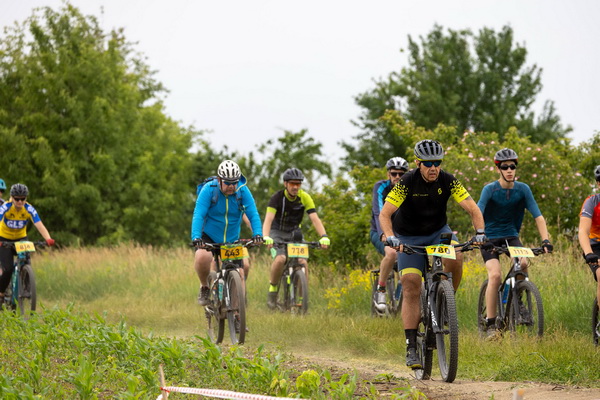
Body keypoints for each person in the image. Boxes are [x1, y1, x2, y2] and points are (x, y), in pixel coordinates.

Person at [379, 139, 486, 369]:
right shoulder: (407, 182)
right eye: (428, 163)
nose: (433, 167)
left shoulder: (448, 180)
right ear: (418, 163)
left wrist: (480, 233)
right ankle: (410, 346)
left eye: (437, 162)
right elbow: (385, 214)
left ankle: (447, 301)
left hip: (438, 233)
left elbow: (473, 208)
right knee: (410, 283)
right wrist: (390, 236)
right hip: (408, 236)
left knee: (457, 255)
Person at [477, 148, 552, 338]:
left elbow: (538, 216)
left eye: (512, 166)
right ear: (498, 169)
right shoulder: (490, 189)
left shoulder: (523, 189)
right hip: (489, 237)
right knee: (495, 275)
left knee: (523, 263)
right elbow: (478, 212)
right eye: (505, 167)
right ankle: (491, 324)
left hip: (511, 236)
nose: (509, 170)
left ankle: (517, 299)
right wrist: (480, 235)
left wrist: (545, 240)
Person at [191, 160, 263, 306]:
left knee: (241, 271)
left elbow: (253, 214)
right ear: (219, 180)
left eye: (234, 182)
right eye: (227, 183)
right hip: (209, 235)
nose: (231, 186)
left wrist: (258, 234)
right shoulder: (209, 190)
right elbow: (199, 214)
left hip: (232, 238)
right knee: (202, 256)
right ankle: (204, 287)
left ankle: (237, 312)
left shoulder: (242, 191)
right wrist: (196, 237)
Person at [263, 168, 330, 309]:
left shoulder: (304, 197)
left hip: (294, 233)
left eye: (298, 184)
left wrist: (324, 236)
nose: (295, 187)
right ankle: (273, 290)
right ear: (285, 184)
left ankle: (302, 298)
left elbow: (314, 219)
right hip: (277, 232)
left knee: (302, 262)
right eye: (292, 183)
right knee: (280, 259)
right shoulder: (277, 198)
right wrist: (266, 237)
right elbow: (268, 220)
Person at [0, 183, 55, 302]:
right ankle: (1, 293)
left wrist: (48, 238)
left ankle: (27, 287)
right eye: (17, 199)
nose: (20, 202)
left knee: (26, 260)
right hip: (4, 238)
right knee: (7, 269)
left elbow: (39, 224)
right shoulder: (5, 207)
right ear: (12, 198)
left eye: (23, 199)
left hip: (21, 238)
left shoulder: (29, 208)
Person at [370, 157, 409, 312]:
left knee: (412, 257)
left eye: (401, 174)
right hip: (379, 231)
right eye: (394, 174)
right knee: (392, 253)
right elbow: (378, 212)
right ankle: (381, 290)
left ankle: (400, 294)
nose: (397, 177)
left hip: (402, 232)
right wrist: (384, 234)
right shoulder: (380, 187)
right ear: (388, 174)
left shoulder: (410, 188)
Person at [577, 165, 600, 314]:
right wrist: (588, 253)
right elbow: (583, 231)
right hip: (595, 247)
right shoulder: (592, 202)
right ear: (598, 184)